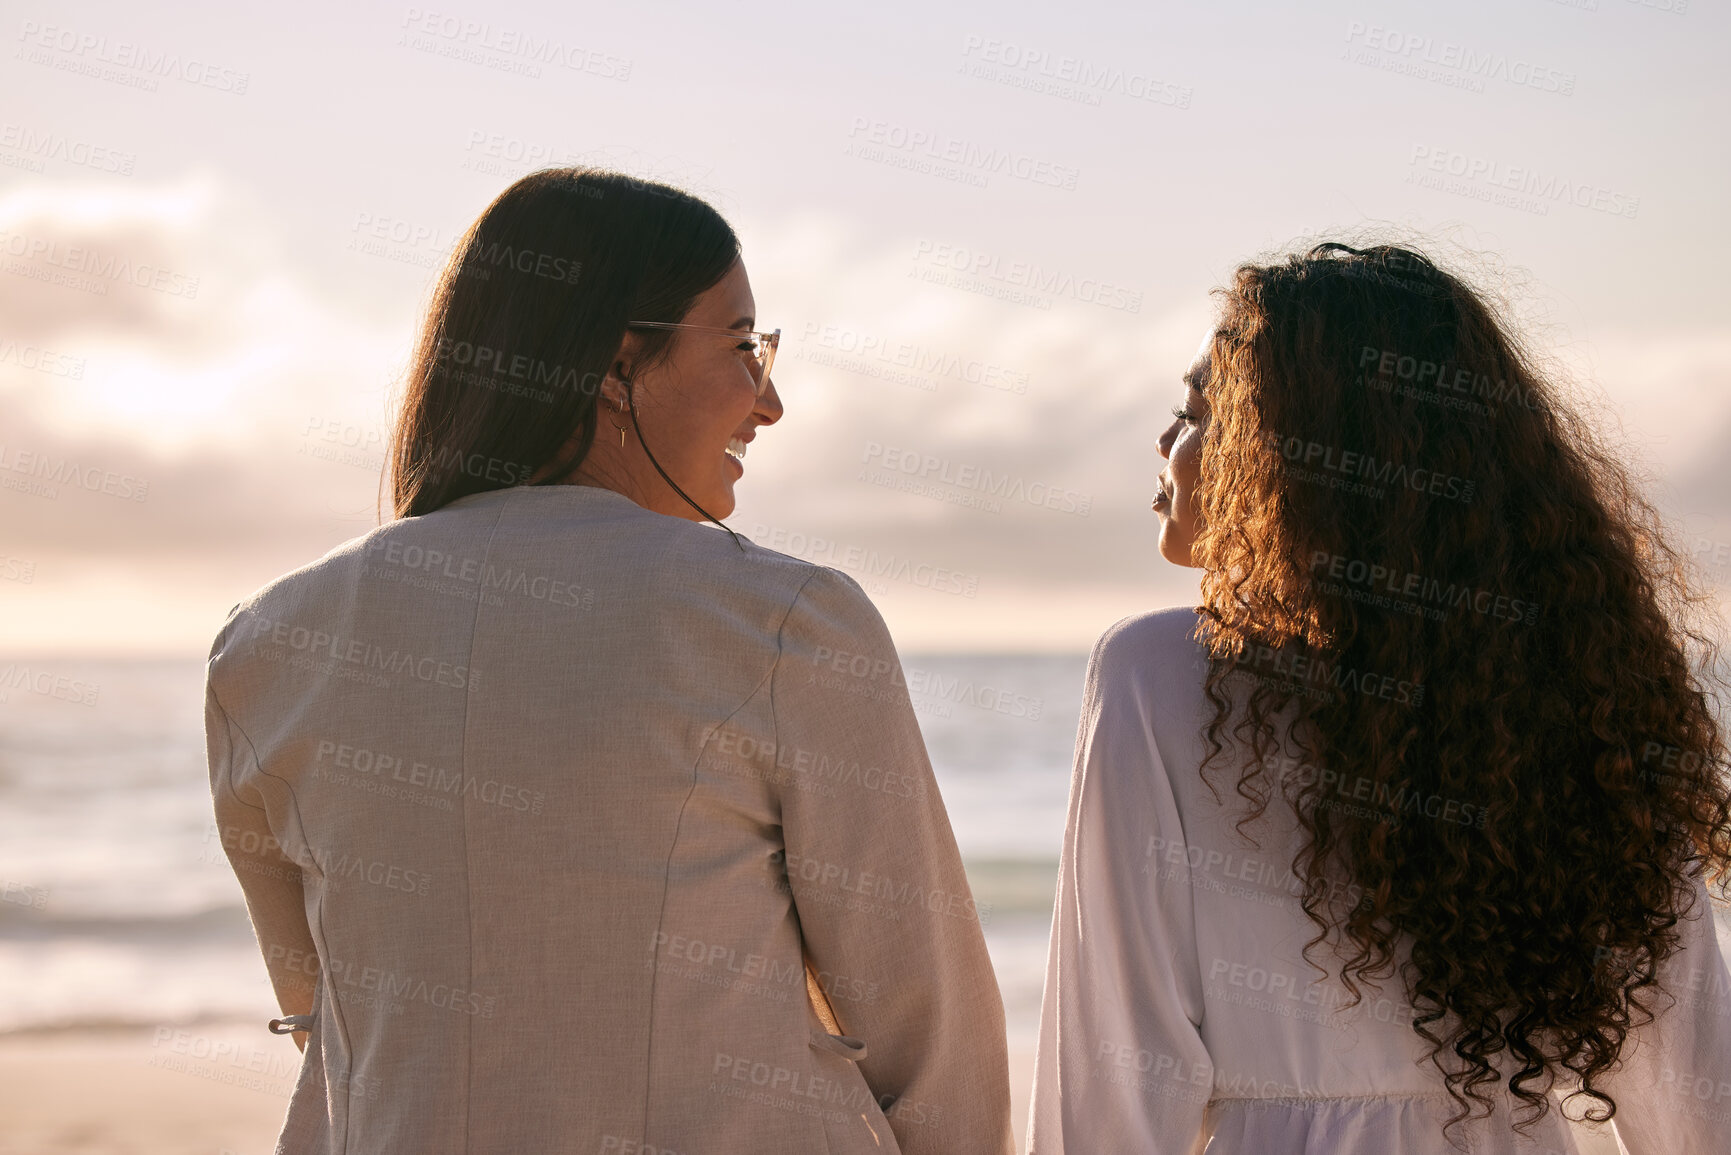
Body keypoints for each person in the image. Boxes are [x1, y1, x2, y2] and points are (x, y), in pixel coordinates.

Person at [205, 167, 1014, 1154]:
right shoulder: (788, 623)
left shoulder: (269, 646)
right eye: (743, 346)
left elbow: (329, 1024)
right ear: (615, 366)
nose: (771, 401)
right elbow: (932, 1041)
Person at [1027, 241, 1731, 1153]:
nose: (1165, 443)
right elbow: (1696, 1101)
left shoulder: (1158, 674)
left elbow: (1115, 1079)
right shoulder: (1583, 698)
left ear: (1284, 452)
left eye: (1195, 410)